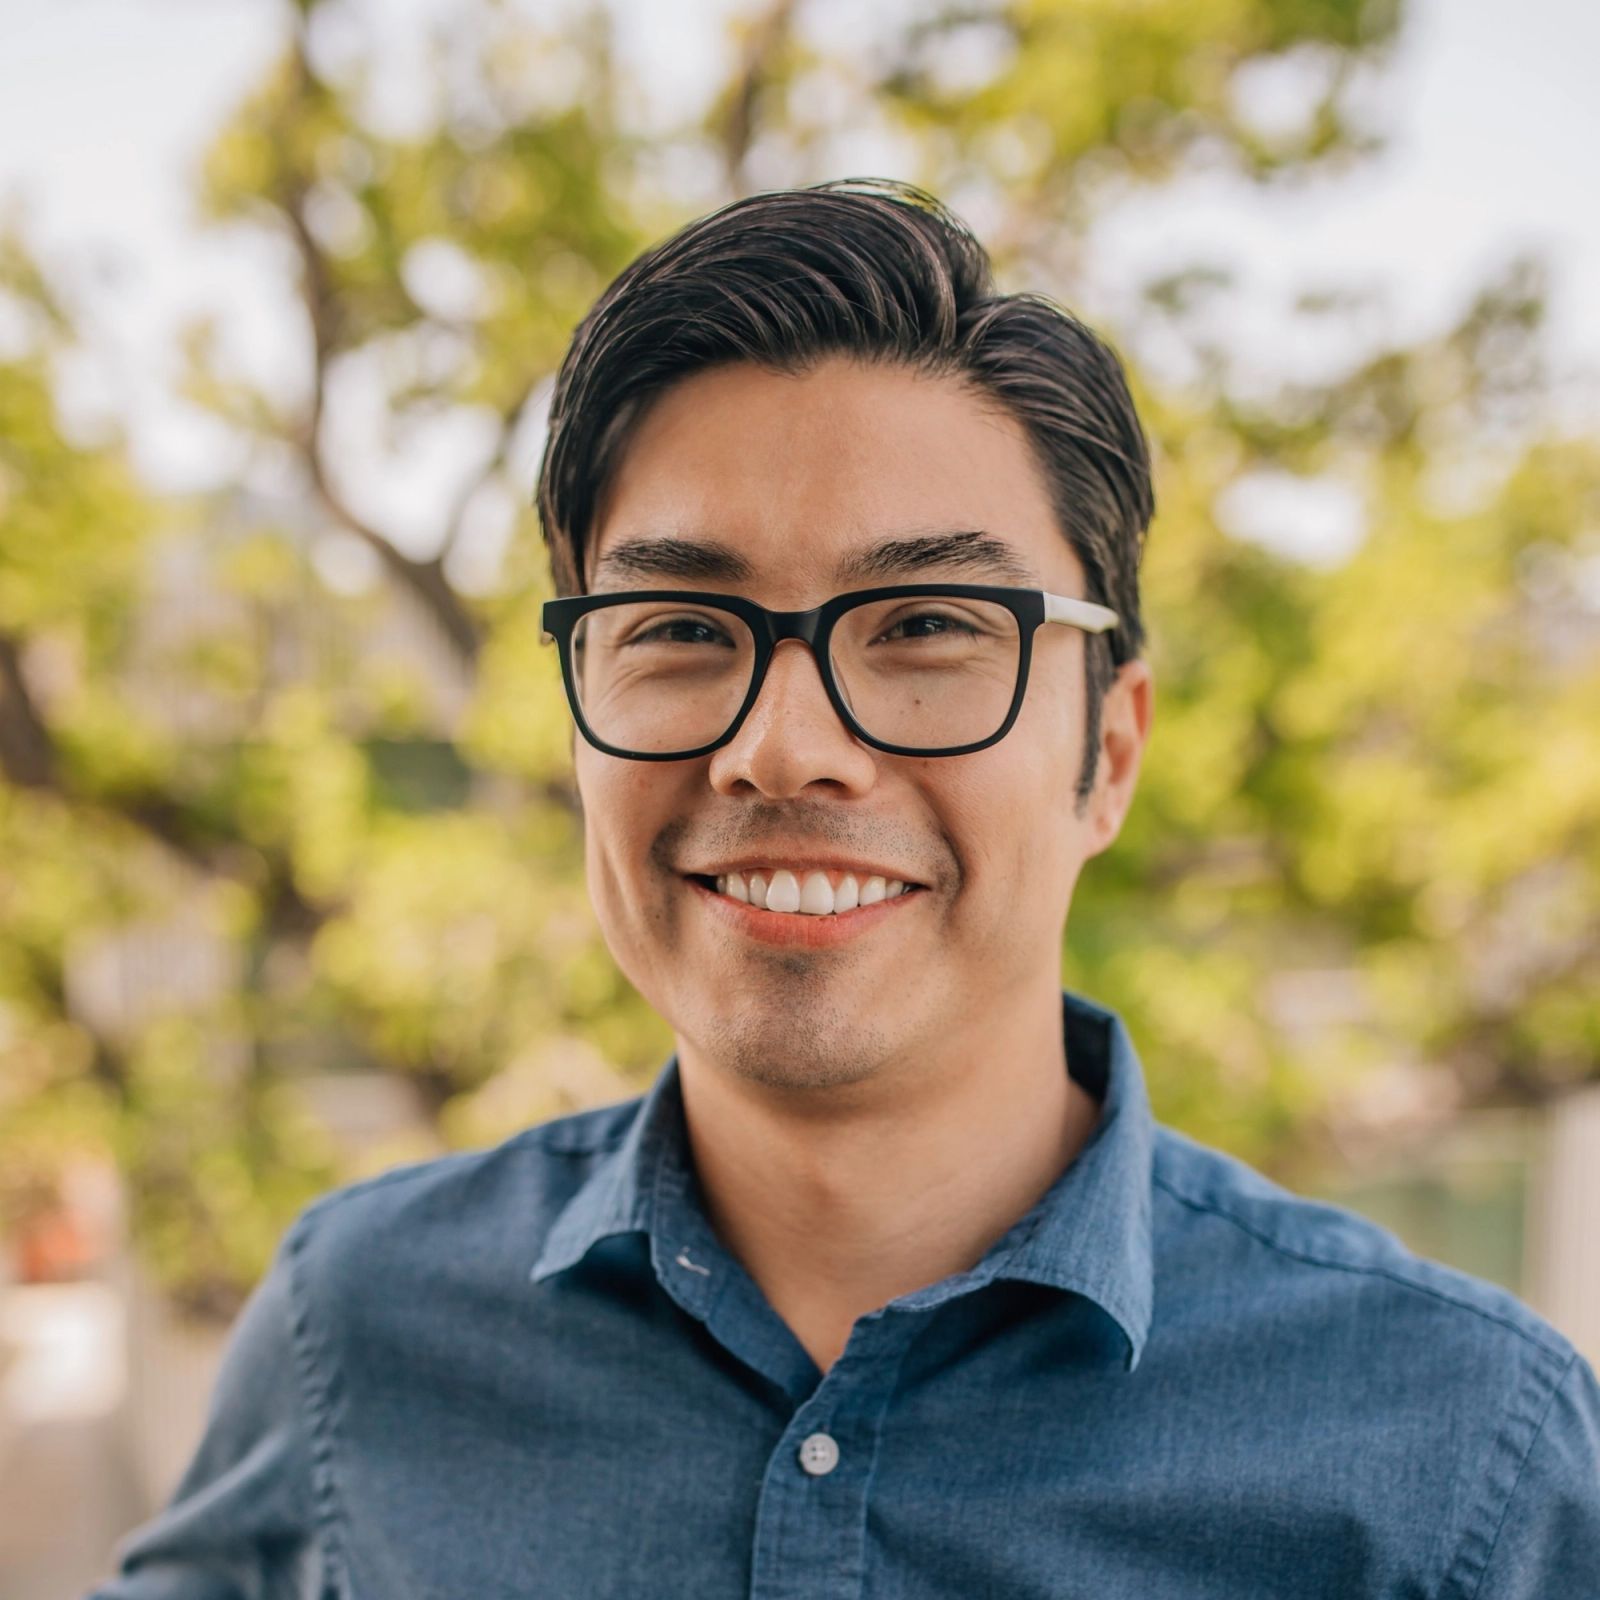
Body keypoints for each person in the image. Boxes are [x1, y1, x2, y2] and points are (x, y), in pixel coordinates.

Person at [88, 179, 1599, 1600]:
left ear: (1109, 752)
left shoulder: (1466, 1456)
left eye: (928, 623)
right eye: (681, 628)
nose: (783, 748)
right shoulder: (361, 1331)